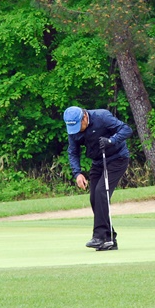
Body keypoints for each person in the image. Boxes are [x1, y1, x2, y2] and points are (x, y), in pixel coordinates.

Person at [64, 106, 133, 251]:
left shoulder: (102, 117)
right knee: (95, 198)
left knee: (101, 192)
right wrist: (77, 173)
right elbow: (73, 152)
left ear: (84, 117)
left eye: (78, 126)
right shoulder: (74, 130)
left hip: (117, 159)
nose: (77, 130)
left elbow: (126, 129)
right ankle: (109, 238)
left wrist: (111, 141)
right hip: (98, 161)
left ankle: (99, 236)